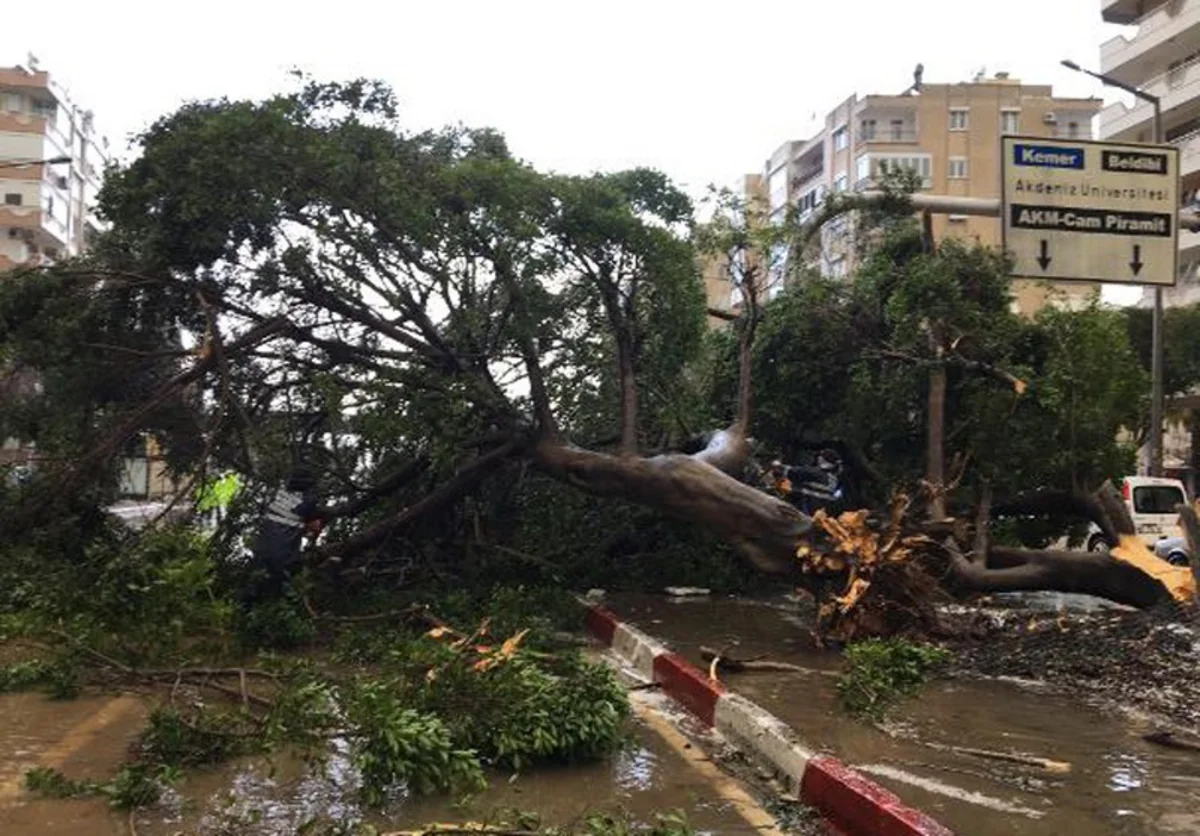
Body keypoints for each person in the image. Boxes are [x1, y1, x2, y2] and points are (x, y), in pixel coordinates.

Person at [245, 466, 323, 601]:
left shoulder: (278, 495)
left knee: (256, 583)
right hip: (283, 555)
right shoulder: (308, 500)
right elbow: (314, 526)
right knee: (281, 587)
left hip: (262, 548)